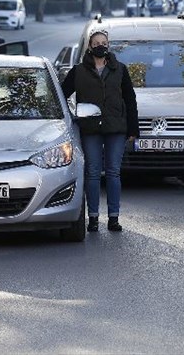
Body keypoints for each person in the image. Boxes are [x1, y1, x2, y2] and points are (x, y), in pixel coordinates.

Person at [61, 30, 139, 232]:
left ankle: (114, 217)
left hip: (116, 128)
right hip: (90, 128)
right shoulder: (78, 71)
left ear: (108, 45)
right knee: (93, 172)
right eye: (96, 43)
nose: (100, 46)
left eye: (104, 42)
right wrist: (72, 117)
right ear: (90, 46)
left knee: (113, 172)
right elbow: (62, 95)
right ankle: (93, 217)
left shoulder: (120, 69)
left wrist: (133, 128)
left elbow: (130, 99)